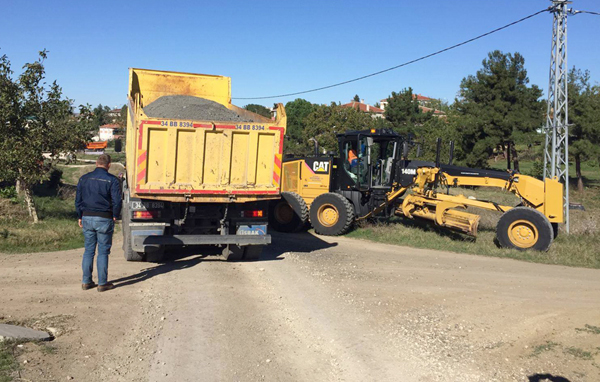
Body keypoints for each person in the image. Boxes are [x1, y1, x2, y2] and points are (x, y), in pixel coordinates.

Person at [75, 154, 122, 292]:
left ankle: (86, 281)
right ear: (109, 165)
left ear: (96, 163)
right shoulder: (112, 180)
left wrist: (80, 216)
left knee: (89, 250)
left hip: (87, 217)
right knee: (103, 252)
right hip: (104, 218)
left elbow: (78, 200)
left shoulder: (84, 179)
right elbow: (117, 201)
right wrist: (115, 215)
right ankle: (102, 283)